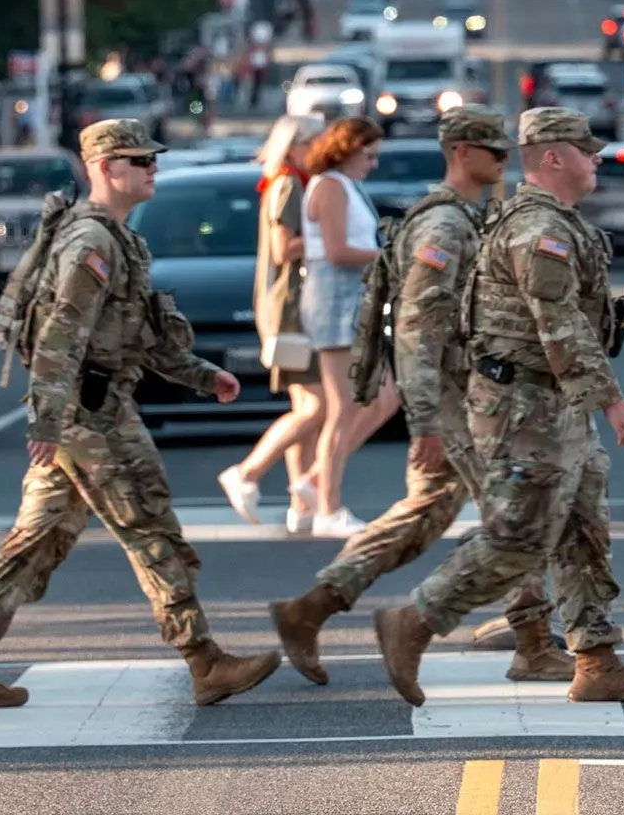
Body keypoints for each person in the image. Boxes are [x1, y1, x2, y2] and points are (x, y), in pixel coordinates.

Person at [0, 119, 280, 711]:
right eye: (139, 160)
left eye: (151, 159)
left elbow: (140, 338)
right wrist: (46, 420)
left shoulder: (117, 239)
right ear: (103, 168)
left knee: (39, 538)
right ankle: (205, 660)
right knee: (149, 526)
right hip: (91, 413)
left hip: (83, 410)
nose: (152, 168)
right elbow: (59, 337)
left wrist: (203, 375)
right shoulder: (91, 244)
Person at [372, 107, 624, 708]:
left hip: (552, 399)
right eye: (586, 150)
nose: (597, 160)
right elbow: (556, 322)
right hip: (522, 403)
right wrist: (611, 399)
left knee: (583, 527)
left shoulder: (555, 222)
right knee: (521, 536)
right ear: (554, 157)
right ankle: (413, 621)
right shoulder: (541, 230)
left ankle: (595, 659)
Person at [268, 108, 570, 686]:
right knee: (515, 518)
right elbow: (415, 327)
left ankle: (309, 610)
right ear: (460, 150)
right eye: (494, 152)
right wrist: (427, 419)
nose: (505, 162)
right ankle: (531, 642)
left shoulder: (465, 217)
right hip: (459, 402)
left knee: (420, 517)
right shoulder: (444, 227)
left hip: (468, 394)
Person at [218, 114, 329, 534]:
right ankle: (247, 473)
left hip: (291, 308)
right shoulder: (289, 184)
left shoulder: (288, 182)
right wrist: (331, 237)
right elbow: (284, 249)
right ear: (298, 145)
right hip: (290, 310)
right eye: (317, 142)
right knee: (320, 406)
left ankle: (300, 503)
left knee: (304, 406)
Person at [301, 116, 399, 536]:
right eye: (369, 154)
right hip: (334, 301)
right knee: (343, 405)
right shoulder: (328, 186)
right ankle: (327, 508)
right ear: (347, 149)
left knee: (386, 397)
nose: (373, 163)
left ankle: (316, 481)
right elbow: (339, 250)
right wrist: (390, 257)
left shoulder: (346, 185)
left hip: (356, 300)